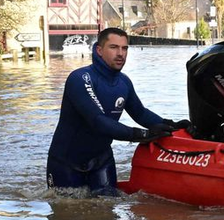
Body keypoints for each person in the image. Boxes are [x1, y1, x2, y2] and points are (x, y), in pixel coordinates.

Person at [47, 27, 182, 196]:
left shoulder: (124, 82)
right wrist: (143, 135)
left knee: (108, 213)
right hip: (66, 163)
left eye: (124, 48)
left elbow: (140, 113)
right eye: (114, 47)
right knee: (69, 215)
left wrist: (172, 125)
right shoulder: (80, 78)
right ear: (99, 50)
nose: (120, 53)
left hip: (102, 160)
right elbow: (98, 121)